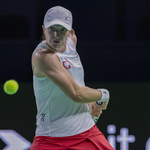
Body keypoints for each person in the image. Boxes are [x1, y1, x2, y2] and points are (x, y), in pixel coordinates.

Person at [30, 6, 114, 150]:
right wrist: (103, 95)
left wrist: (90, 106)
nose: (56, 35)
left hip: (87, 133)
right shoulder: (43, 57)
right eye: (52, 29)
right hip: (51, 140)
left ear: (71, 32)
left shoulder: (71, 42)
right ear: (43, 29)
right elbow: (77, 93)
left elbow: (75, 81)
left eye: (62, 30)